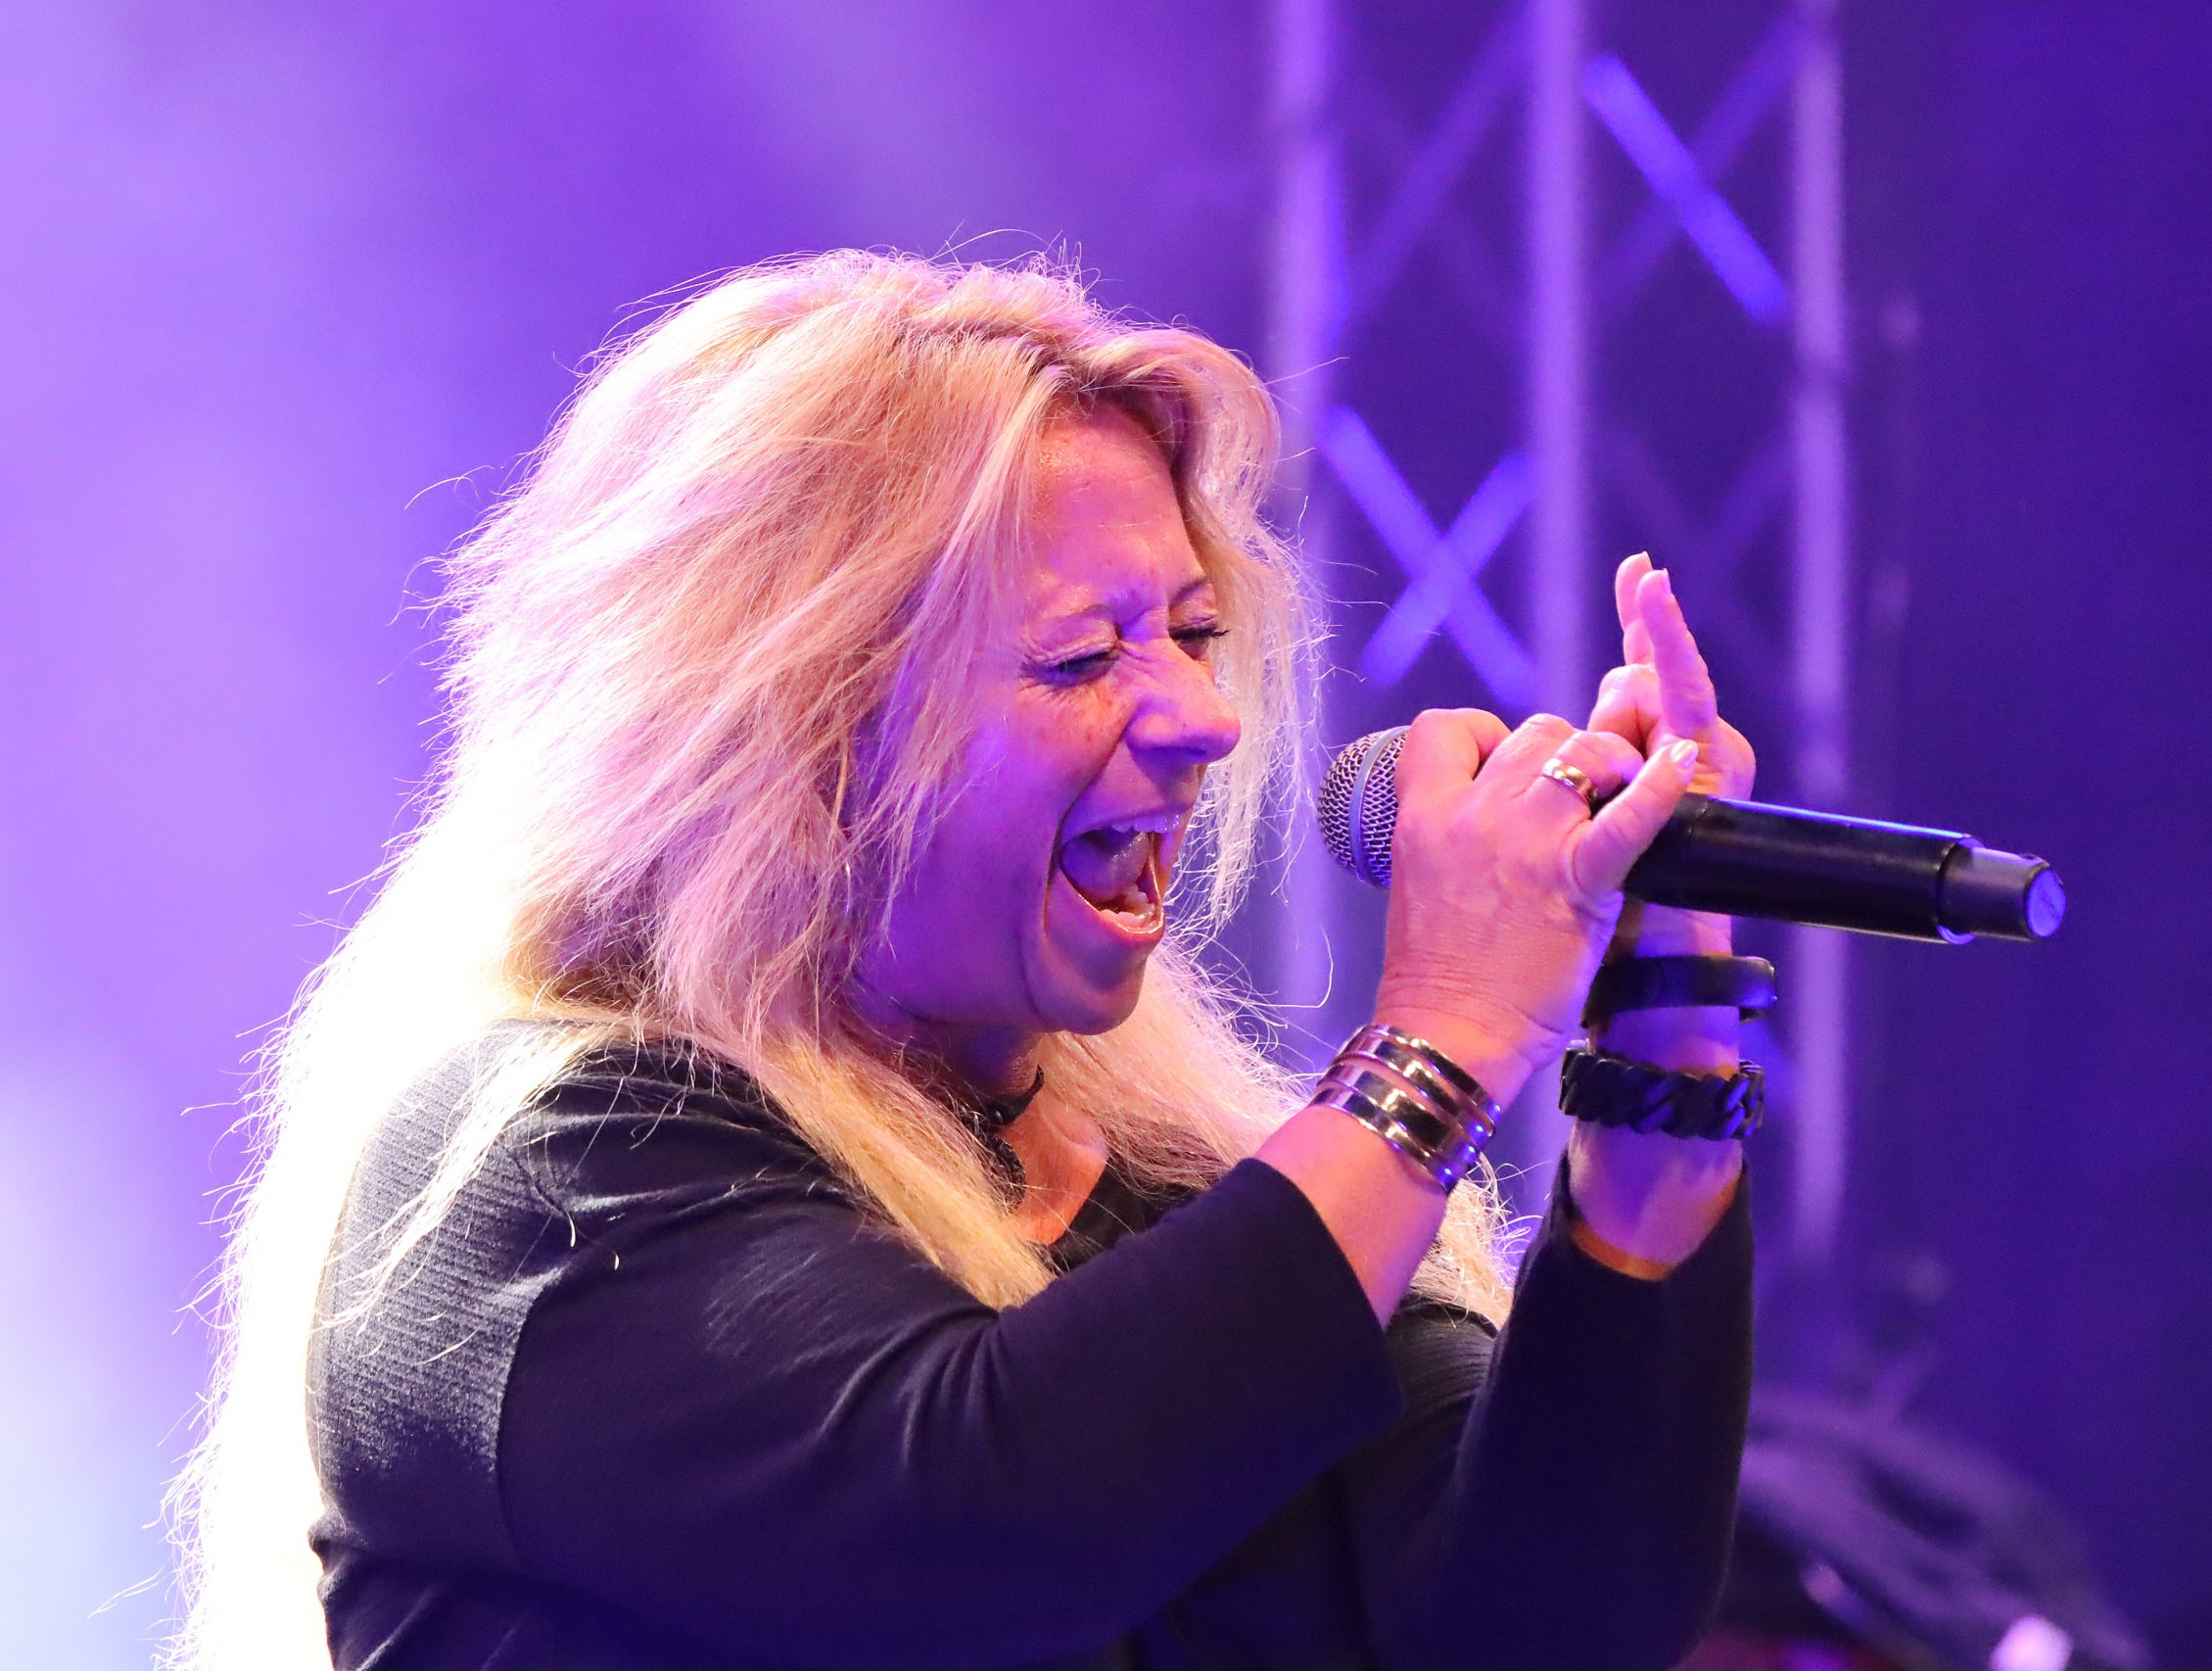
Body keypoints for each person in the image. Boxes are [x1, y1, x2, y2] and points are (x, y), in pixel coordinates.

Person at [169, 252, 1765, 1670]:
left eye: (1194, 633)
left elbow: (1547, 1614)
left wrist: (1665, 1055)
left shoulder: (1171, 1195)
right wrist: (1443, 1037)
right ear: (795, 734)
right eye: (1082, 655)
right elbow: (989, 1515)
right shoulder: (547, 1172)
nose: (1204, 718)